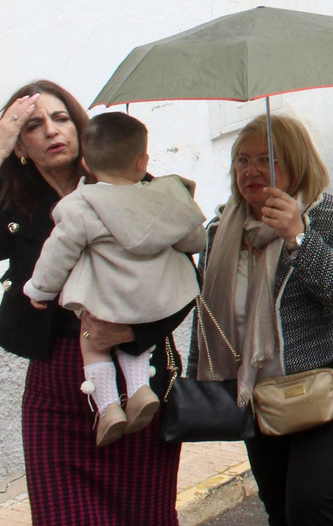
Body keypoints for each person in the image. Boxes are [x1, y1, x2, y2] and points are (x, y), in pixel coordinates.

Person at [0, 82, 191, 526]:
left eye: (61, 118)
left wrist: (133, 330)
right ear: (21, 146)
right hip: (54, 395)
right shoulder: (19, 206)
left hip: (137, 387)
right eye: (32, 125)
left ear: (80, 127)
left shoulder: (137, 189)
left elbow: (185, 281)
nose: (51, 131)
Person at [194, 114, 333, 526]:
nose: (250, 170)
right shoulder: (222, 231)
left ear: (297, 163)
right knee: (278, 505)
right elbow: (210, 317)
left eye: (266, 159)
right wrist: (202, 386)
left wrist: (299, 235)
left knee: (311, 503)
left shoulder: (329, 215)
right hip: (262, 392)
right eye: (241, 159)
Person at [23, 112, 205, 446]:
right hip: (153, 302)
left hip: (105, 300)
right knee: (133, 339)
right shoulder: (164, 197)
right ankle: (138, 390)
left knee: (92, 339)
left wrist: (40, 289)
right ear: (142, 162)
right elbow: (194, 241)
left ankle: (108, 407)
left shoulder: (79, 205)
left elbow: (57, 253)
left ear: (86, 165)